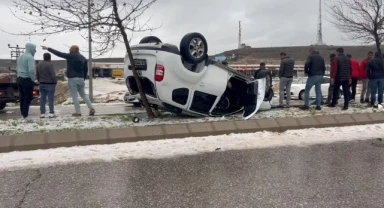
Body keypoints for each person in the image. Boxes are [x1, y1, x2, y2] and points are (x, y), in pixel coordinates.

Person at [41, 45, 95, 117]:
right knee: (84, 95)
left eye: (70, 48)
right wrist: (83, 78)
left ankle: (78, 112)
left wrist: (48, 48)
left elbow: (59, 53)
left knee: (75, 96)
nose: (69, 49)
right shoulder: (83, 58)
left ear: (73, 50)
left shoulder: (70, 56)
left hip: (72, 79)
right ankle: (91, 108)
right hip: (81, 78)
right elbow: (86, 70)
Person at [16, 43, 37, 122]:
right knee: (28, 97)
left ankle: (23, 114)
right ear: (31, 48)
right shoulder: (30, 57)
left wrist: (19, 76)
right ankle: (26, 116)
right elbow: (31, 70)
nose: (35, 50)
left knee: (22, 97)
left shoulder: (20, 57)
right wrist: (33, 79)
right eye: (34, 48)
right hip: (27, 79)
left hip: (20, 79)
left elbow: (17, 68)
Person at [36, 53, 57, 118]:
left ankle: (42, 113)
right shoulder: (50, 64)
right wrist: (55, 81)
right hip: (50, 83)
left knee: (42, 99)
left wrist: (39, 80)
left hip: (42, 83)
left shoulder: (39, 64)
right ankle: (51, 113)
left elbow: (37, 74)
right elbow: (52, 74)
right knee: (50, 99)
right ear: (49, 57)